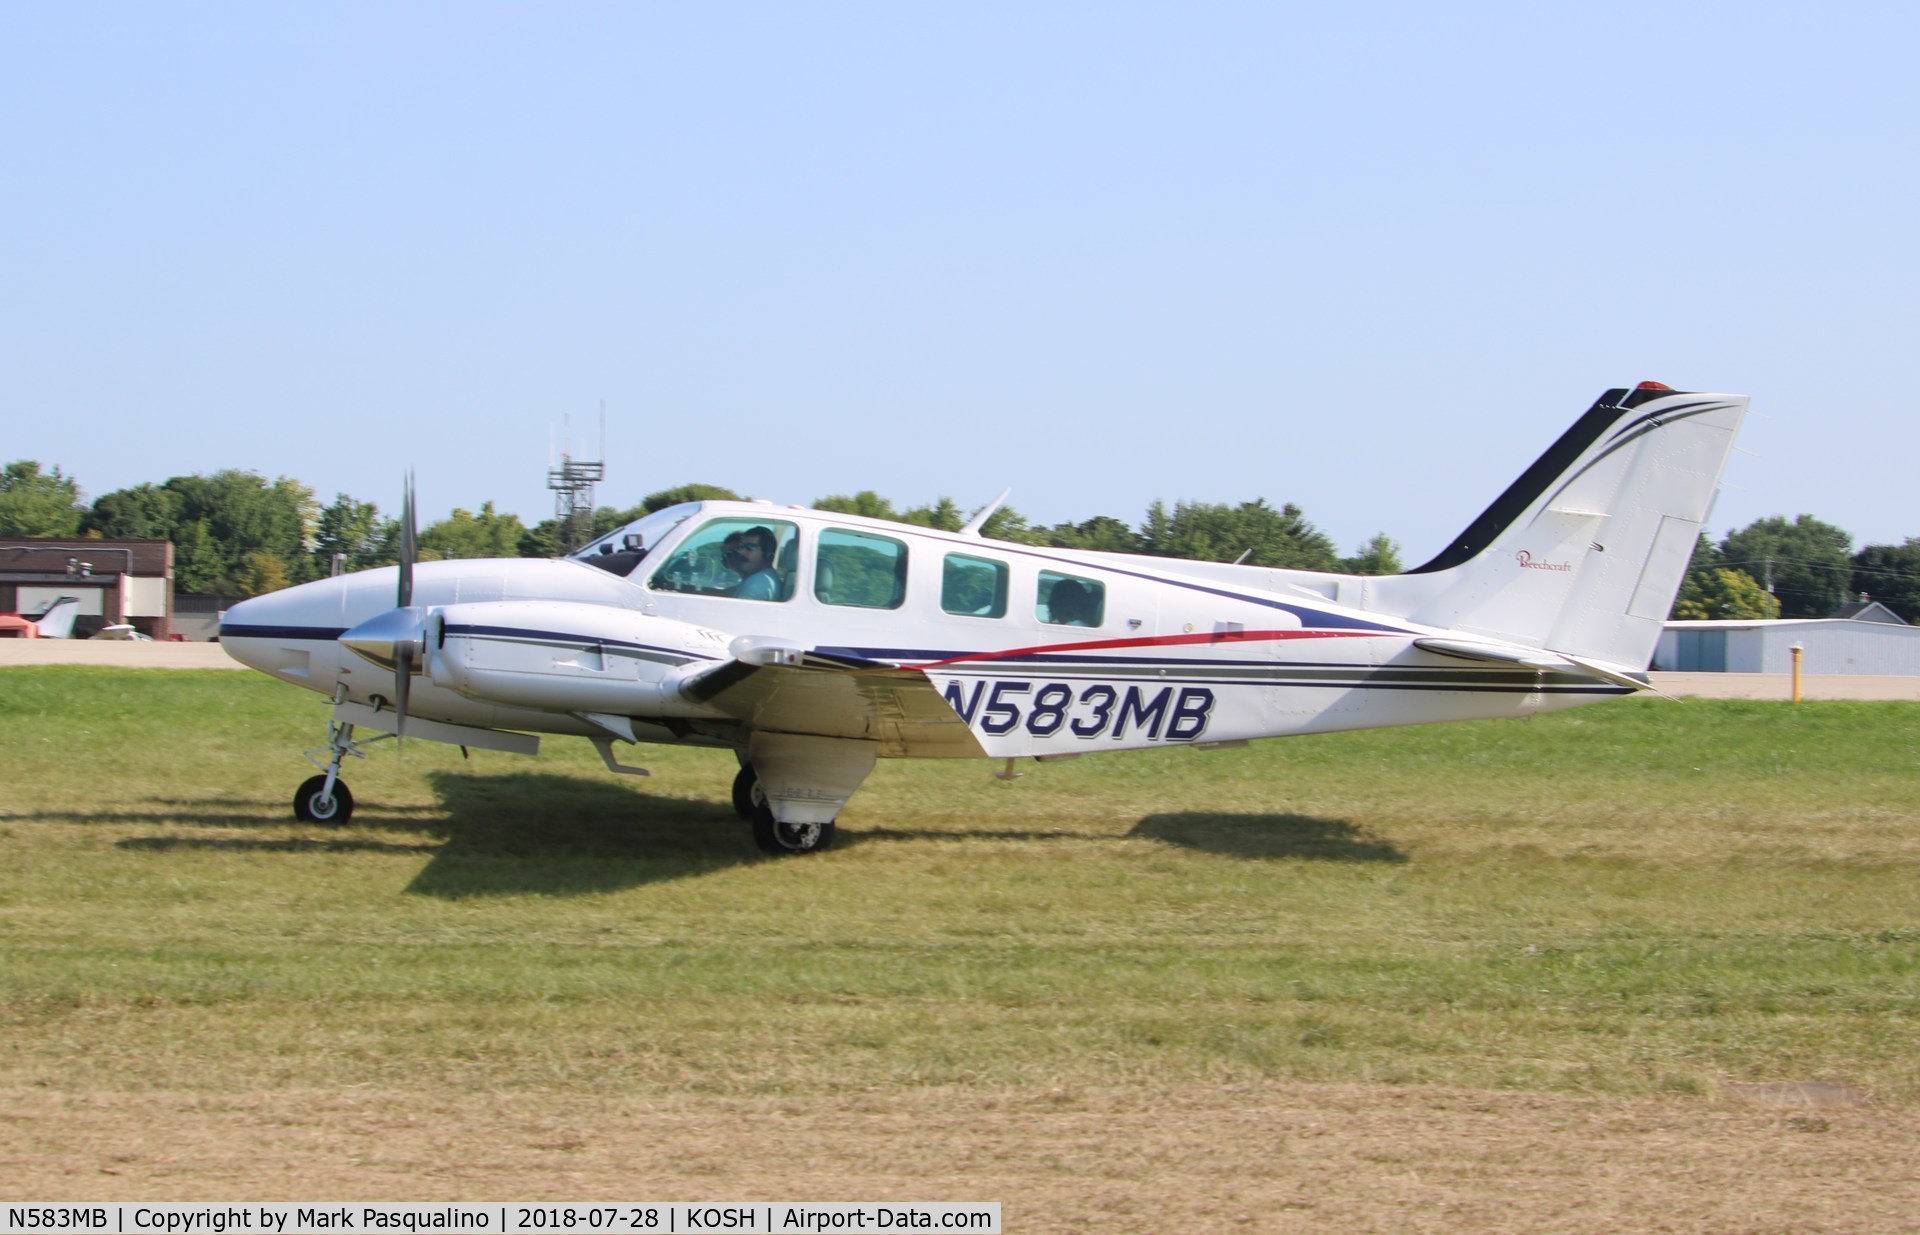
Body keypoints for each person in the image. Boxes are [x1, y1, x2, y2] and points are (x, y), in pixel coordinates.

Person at [722, 526, 781, 600]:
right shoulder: (758, 578)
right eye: (741, 547)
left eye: (750, 547)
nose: (741, 552)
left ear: (767, 554)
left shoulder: (758, 583)